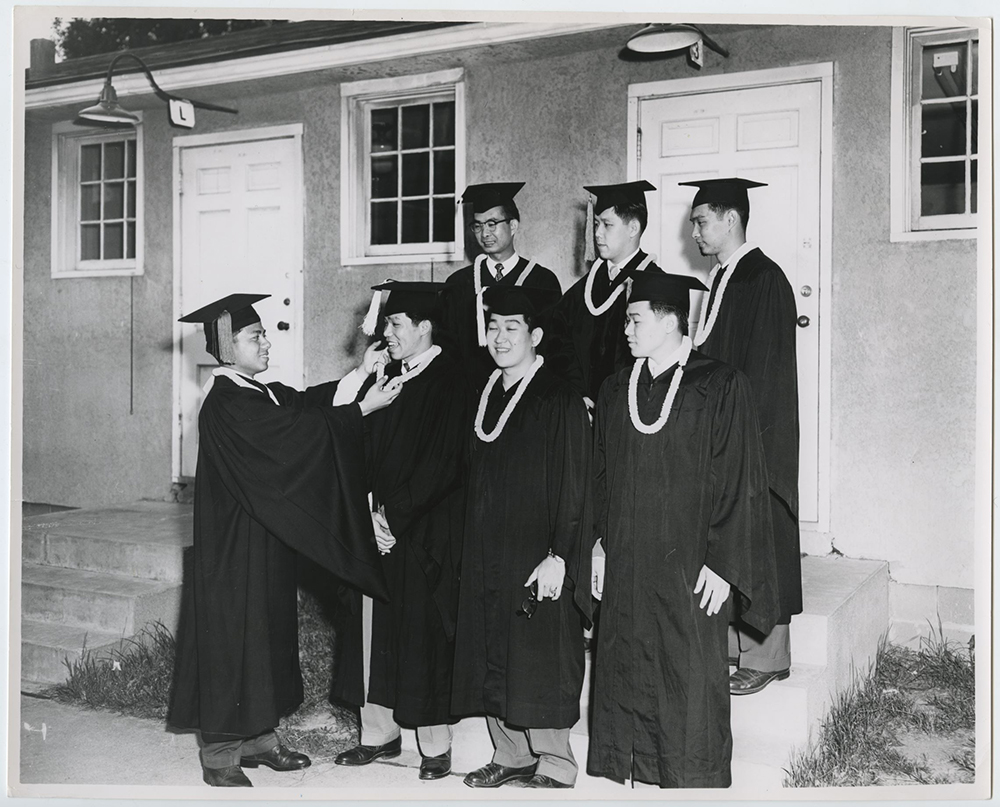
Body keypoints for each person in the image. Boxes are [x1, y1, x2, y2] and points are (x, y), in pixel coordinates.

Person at [169, 293, 400, 788]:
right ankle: (220, 754)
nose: (267, 341)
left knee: (266, 632)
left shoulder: (257, 392)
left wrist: (359, 376)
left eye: (265, 334)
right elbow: (297, 436)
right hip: (233, 547)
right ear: (229, 347)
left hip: (264, 540)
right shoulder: (227, 403)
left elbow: (304, 405)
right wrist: (361, 412)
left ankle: (258, 738)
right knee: (233, 639)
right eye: (256, 336)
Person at [588, 271, 779, 788]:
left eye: (634, 319)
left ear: (671, 320)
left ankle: (690, 778)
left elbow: (741, 479)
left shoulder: (719, 384)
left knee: (688, 670)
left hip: (692, 562)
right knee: (626, 659)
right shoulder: (614, 389)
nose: (624, 329)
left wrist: (724, 562)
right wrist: (598, 548)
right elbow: (599, 478)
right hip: (628, 558)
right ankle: (633, 768)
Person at [452, 284, 593, 790]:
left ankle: (555, 761)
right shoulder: (485, 393)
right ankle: (509, 754)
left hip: (537, 550)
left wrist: (560, 555)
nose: (499, 336)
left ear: (535, 335)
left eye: (512, 327)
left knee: (540, 652)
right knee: (493, 645)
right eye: (492, 326)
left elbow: (575, 483)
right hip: (488, 549)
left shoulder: (558, 397)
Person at [333, 281, 474, 781]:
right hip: (378, 525)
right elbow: (361, 442)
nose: (385, 332)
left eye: (395, 324)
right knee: (373, 629)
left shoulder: (451, 379)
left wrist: (394, 517)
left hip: (425, 530)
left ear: (424, 327)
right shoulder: (388, 377)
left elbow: (444, 463)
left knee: (421, 632)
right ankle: (378, 733)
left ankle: (434, 742)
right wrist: (368, 513)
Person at [680, 177, 801, 696]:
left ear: (730, 219)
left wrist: (748, 437)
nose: (695, 231)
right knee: (726, 532)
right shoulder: (724, 276)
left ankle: (768, 654)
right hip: (726, 428)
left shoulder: (762, 278)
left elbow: (765, 368)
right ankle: (733, 640)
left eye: (702, 220)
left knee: (763, 532)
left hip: (757, 431)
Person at [549, 180, 665, 410]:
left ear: (633, 228)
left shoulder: (656, 285)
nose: (597, 233)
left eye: (607, 225)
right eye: (596, 224)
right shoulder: (587, 286)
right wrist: (578, 393)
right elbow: (558, 340)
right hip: (583, 408)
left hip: (629, 409)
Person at [443, 182, 562, 389]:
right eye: (478, 226)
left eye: (492, 224)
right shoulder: (458, 283)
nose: (485, 234)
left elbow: (553, 345)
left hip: (525, 389)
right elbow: (449, 347)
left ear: (513, 226)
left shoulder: (542, 280)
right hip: (469, 390)